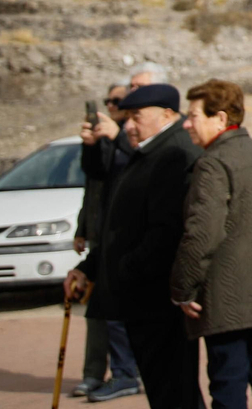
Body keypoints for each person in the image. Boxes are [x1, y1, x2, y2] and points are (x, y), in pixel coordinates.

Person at [66, 83, 205, 409]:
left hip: (156, 299)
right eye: (125, 117)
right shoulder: (148, 150)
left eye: (136, 117)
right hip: (141, 296)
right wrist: (89, 267)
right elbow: (121, 224)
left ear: (167, 114)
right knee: (165, 389)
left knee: (174, 389)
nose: (128, 125)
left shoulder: (174, 153)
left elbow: (164, 233)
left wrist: (127, 270)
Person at [171, 80, 252, 409]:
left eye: (192, 116)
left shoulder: (214, 163)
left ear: (219, 118)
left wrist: (182, 288)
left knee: (228, 383)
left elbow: (202, 233)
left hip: (227, 296)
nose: (187, 124)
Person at [72, 81, 141, 402]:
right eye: (108, 101)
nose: (111, 106)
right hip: (104, 233)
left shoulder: (132, 135)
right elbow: (94, 180)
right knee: (100, 310)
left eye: (117, 101)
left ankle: (127, 372)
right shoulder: (113, 135)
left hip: (128, 235)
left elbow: (139, 170)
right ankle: (96, 373)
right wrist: (90, 144)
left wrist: (117, 137)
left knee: (118, 310)